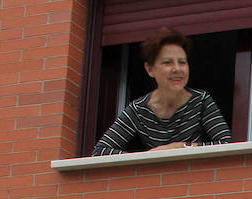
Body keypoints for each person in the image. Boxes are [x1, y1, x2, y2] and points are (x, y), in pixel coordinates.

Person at [92, 27, 232, 156]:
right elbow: (100, 152)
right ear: (150, 69)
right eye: (167, 62)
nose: (177, 69)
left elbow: (226, 145)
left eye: (182, 62)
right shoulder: (138, 110)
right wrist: (149, 155)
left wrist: (182, 147)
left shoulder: (201, 101)